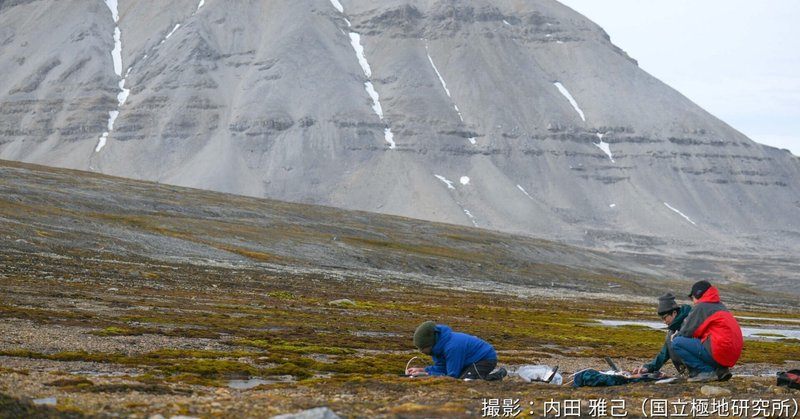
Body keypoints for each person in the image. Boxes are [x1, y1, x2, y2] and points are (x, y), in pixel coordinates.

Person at [672, 280, 743, 382]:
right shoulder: (720, 306)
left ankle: (706, 371)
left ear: (698, 294)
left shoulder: (702, 306)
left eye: (692, 298)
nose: (693, 302)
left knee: (677, 342)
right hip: (730, 355)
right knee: (701, 340)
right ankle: (720, 370)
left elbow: (686, 332)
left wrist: (675, 335)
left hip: (718, 351)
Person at [406, 321, 505, 380]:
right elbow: (442, 368)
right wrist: (422, 370)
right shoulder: (437, 348)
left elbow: (452, 376)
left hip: (485, 359)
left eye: (423, 348)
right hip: (469, 361)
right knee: (462, 377)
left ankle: (496, 377)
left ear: (430, 343)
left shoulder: (452, 347)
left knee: (465, 381)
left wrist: (426, 375)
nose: (421, 351)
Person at [632, 293, 690, 375]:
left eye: (665, 317)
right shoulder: (671, 332)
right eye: (662, 319)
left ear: (674, 313)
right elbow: (663, 354)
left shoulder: (690, 324)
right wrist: (648, 367)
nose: (664, 322)